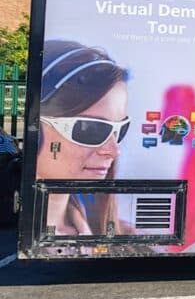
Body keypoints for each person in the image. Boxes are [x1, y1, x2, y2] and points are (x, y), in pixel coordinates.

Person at [38, 40, 131, 236]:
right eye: (91, 129)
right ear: (37, 131)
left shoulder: (126, 238)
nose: (114, 151)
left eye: (120, 130)